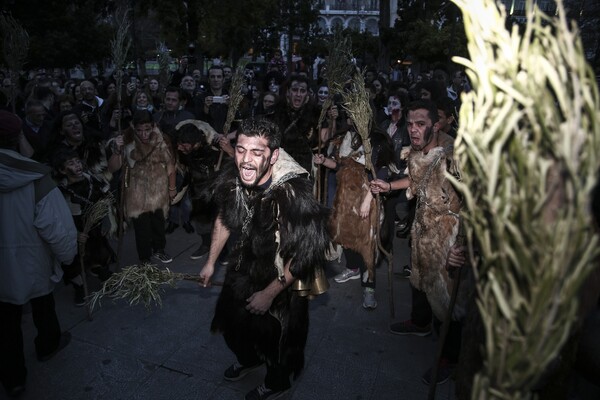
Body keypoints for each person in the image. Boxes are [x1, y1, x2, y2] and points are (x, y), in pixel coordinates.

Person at [198, 118, 329, 400]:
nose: (245, 160)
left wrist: (270, 293)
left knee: (278, 342)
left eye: (257, 153)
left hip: (282, 279)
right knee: (231, 326)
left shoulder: (293, 194)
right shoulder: (236, 174)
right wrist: (211, 262)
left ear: (273, 156)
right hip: (243, 264)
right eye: (241, 149)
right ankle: (249, 360)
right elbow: (224, 218)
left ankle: (277, 382)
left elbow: (305, 254)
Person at [371, 99, 467, 385]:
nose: (413, 130)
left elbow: (475, 202)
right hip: (424, 229)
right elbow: (417, 182)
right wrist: (388, 186)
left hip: (449, 235)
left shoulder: (453, 156)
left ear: (436, 125)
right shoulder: (418, 151)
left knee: (449, 300)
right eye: (410, 124)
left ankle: (451, 358)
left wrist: (461, 245)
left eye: (420, 124)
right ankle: (422, 324)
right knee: (424, 284)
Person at [0, 110, 77, 398]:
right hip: (32, 262)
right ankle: (48, 345)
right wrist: (68, 258)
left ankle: (13, 378)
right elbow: (58, 229)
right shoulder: (35, 177)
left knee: (5, 323)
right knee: (43, 305)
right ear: (18, 137)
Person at [117, 110, 176, 264]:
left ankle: (159, 249)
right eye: (139, 130)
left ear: (153, 127)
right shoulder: (126, 142)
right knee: (141, 227)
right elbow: (113, 167)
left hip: (158, 189)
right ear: (134, 128)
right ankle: (144, 257)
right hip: (137, 192)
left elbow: (170, 164)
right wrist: (118, 149)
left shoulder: (160, 140)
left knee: (158, 222)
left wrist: (171, 188)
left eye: (147, 129)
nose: (144, 134)